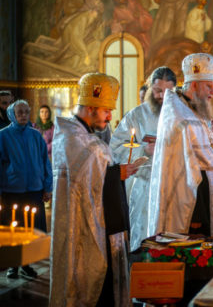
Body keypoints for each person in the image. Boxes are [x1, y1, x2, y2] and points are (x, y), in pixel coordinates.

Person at [50, 73, 139, 307]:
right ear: (91, 108)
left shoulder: (73, 135)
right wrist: (115, 174)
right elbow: (89, 177)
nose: (110, 117)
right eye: (106, 110)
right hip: (85, 230)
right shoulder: (78, 140)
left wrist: (115, 172)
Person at [148, 53, 213, 239]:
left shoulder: (193, 111)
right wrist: (197, 214)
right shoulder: (180, 117)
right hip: (190, 211)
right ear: (195, 84)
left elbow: (204, 159)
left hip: (203, 203)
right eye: (209, 86)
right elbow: (185, 171)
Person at [110, 66, 177, 251]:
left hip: (173, 185)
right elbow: (115, 147)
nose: (161, 96)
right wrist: (143, 149)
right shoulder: (136, 115)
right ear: (149, 88)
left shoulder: (181, 115)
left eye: (167, 92)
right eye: (157, 91)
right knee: (144, 239)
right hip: (144, 186)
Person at [0, 100, 52, 279]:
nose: (23, 115)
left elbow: (45, 162)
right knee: (14, 230)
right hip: (11, 190)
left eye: (25, 112)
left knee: (31, 230)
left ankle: (26, 264)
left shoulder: (36, 135)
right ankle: (13, 265)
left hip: (34, 190)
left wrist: (47, 187)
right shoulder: (3, 135)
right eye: (19, 112)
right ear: (12, 115)